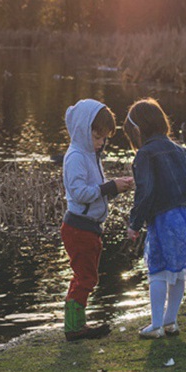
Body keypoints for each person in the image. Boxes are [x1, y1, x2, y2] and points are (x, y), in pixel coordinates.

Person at [124, 97, 186, 339]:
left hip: (167, 216)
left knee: (158, 269)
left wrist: (134, 223)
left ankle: (155, 325)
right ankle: (170, 321)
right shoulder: (184, 152)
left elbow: (146, 190)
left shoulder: (145, 154)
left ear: (137, 130)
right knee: (178, 271)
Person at [61, 99, 134, 341]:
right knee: (86, 278)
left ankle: (75, 325)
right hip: (78, 228)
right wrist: (109, 187)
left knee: (86, 276)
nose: (102, 143)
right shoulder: (76, 157)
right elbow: (80, 192)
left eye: (104, 138)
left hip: (89, 228)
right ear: (84, 130)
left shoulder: (90, 154)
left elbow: (94, 190)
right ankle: (74, 328)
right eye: (98, 137)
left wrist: (114, 188)